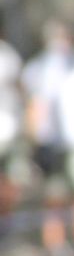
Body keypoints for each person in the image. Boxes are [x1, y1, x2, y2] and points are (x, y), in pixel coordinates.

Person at [22, 22, 74, 256]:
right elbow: (35, 106)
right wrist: (36, 139)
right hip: (53, 141)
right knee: (54, 195)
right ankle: (55, 245)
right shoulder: (39, 67)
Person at [0, 21, 23, 227]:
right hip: (9, 128)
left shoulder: (7, 56)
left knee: (10, 181)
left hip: (8, 129)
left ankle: (7, 225)